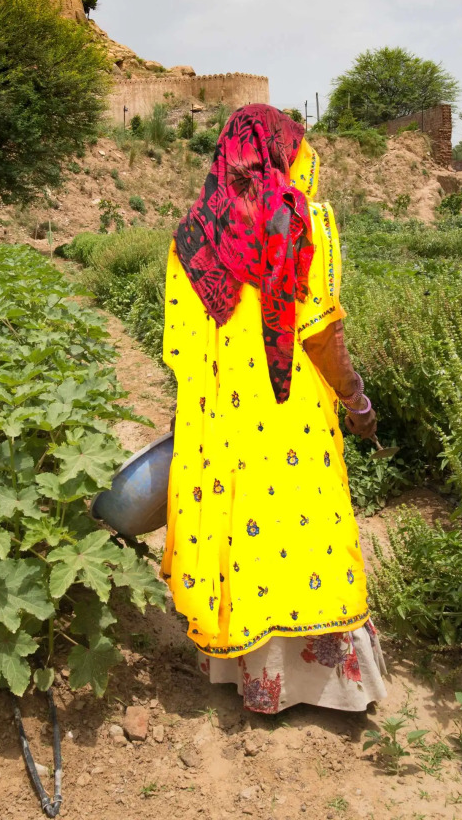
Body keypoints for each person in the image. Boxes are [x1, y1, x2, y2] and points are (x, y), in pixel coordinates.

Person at [159, 104, 386, 715]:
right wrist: (357, 399)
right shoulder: (302, 219)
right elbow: (319, 333)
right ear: (284, 154)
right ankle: (324, 686)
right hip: (293, 415)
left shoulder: (193, 234)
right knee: (304, 531)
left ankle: (249, 678)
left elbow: (181, 351)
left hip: (227, 424)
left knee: (245, 532)